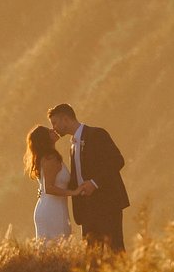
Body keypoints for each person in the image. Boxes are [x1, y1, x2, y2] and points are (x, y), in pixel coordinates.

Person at [49, 102, 130, 250]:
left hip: (107, 203)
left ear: (65, 119)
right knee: (91, 255)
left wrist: (94, 183)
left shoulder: (97, 134)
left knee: (115, 250)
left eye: (55, 122)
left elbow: (117, 160)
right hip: (86, 208)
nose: (53, 127)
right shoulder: (72, 145)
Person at [27, 124, 90, 243]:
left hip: (51, 206)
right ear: (45, 139)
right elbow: (49, 188)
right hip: (52, 209)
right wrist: (74, 192)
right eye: (48, 131)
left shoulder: (49, 157)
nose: (53, 130)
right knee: (56, 245)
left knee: (53, 246)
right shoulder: (51, 158)